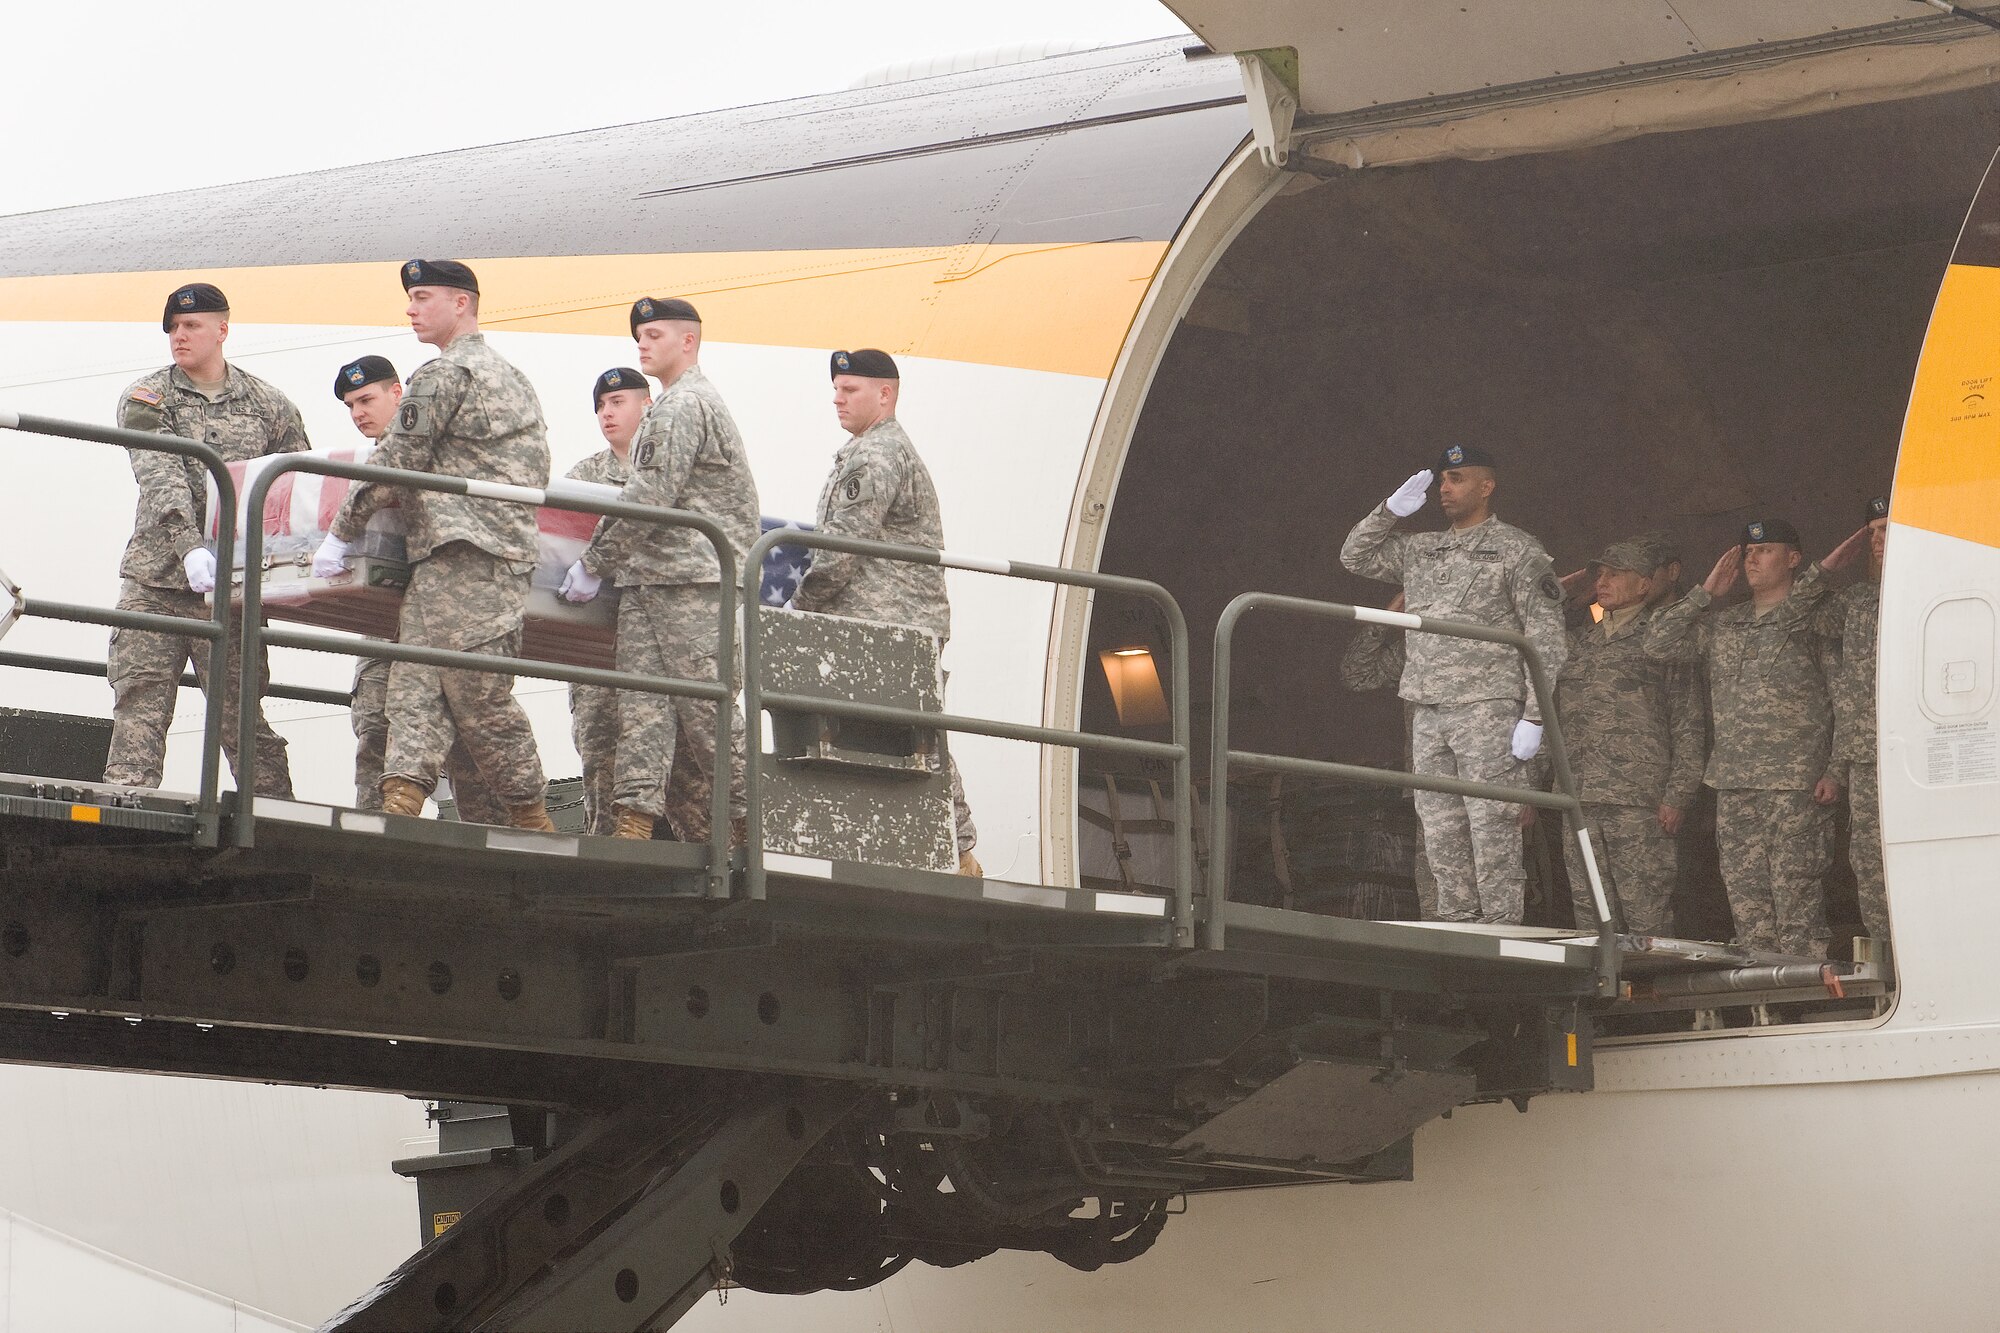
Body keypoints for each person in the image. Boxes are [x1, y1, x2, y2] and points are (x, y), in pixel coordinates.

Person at [313, 260, 556, 830]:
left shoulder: (442, 375)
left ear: (462, 303)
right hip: (457, 554)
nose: (411, 308)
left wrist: (340, 531)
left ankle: (529, 810)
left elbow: (399, 461)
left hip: (473, 554)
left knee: (475, 691)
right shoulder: (514, 377)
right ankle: (399, 799)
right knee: (415, 682)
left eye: (423, 296)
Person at [1339, 445, 1567, 925]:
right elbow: (1354, 556)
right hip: (1426, 703)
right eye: (1443, 479)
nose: (1445, 488)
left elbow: (1545, 639)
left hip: (1487, 704)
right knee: (1440, 825)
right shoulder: (1421, 548)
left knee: (1492, 824)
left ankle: (1502, 922)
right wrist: (1389, 512)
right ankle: (1458, 920)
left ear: (1487, 486)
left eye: (1458, 478)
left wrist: (1533, 714)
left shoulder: (1518, 550)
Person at [559, 300, 757, 845]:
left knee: (707, 718)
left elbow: (650, 495)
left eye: (653, 335)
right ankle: (632, 823)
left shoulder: (683, 406)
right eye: (638, 337)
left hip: (692, 583)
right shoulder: (674, 405)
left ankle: (750, 829)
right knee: (641, 708)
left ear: (687, 341)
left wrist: (593, 564)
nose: (642, 345)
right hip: (651, 580)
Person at [107, 282, 304, 797]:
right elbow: (159, 472)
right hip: (158, 582)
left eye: (191, 325)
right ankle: (128, 807)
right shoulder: (149, 396)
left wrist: (284, 571)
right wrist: (189, 545)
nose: (179, 335)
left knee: (242, 718)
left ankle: (275, 822)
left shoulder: (268, 405)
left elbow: (294, 484)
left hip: (232, 592)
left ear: (222, 329)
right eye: (172, 327)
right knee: (140, 708)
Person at [791, 349, 980, 875]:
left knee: (918, 737)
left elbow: (841, 550)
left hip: (890, 625)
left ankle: (961, 851)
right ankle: (946, 850)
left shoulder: (874, 456)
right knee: (902, 737)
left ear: (885, 394)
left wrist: (797, 606)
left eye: (850, 389)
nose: (837, 397)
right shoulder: (868, 451)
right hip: (882, 625)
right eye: (836, 388)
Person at [1642, 518, 1867, 957]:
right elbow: (1657, 644)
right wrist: (1704, 594)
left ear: (1794, 559)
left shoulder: (1812, 620)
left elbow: (1845, 700)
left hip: (1796, 782)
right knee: (1748, 904)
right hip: (1734, 782)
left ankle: (1803, 993)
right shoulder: (1724, 624)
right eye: (1747, 553)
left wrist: (1836, 770)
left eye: (1764, 551)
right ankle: (1765, 1000)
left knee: (1796, 899)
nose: (1752, 559)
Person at [332, 355, 506, 826]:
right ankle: (375, 830)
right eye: (350, 405)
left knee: (470, 745)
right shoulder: (364, 468)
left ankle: (489, 844)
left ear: (398, 394)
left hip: (443, 619)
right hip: (385, 626)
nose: (358, 413)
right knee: (374, 728)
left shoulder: (435, 454)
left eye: (367, 400)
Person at [1552, 536, 1706, 936]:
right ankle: (1604, 996)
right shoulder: (1580, 640)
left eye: (1616, 574)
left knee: (1646, 916)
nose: (1603, 581)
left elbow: (1688, 723)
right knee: (1590, 916)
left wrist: (1678, 795)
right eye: (1600, 573)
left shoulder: (1662, 639)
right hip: (1578, 796)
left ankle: (1651, 996)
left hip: (1638, 799)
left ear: (1644, 585)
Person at [562, 366, 648, 836]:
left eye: (618, 403)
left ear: (647, 405)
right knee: (598, 744)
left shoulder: (669, 469)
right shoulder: (583, 477)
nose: (606, 413)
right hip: (597, 638)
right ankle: (603, 841)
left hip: (657, 630)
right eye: (600, 406)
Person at [1815, 495, 1891, 949]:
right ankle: (1891, 960)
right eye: (1873, 533)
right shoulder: (1858, 600)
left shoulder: (1936, 587)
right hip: (1866, 758)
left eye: (1888, 529)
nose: (1879, 541)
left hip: (1924, 752)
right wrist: (1826, 569)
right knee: (1869, 860)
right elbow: (1798, 614)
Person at [1337, 592, 1438, 919]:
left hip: (1484, 785)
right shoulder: (1415, 650)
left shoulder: (1490, 640)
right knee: (1435, 891)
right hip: (1430, 787)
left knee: (1488, 893)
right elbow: (1356, 674)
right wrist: (1389, 615)